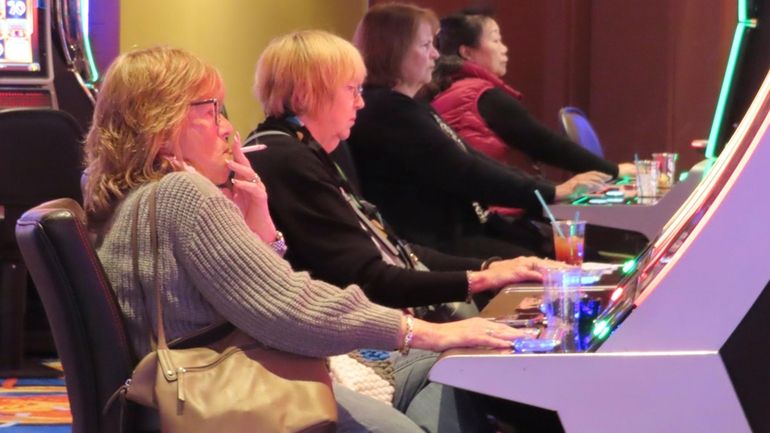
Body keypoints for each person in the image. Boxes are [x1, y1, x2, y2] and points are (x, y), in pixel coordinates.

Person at [83, 45, 532, 433]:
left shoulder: (129, 200)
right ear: (162, 124)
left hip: (218, 378)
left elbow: (248, 295)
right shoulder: (182, 194)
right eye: (212, 109)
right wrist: (424, 332)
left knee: (448, 370)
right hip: (234, 392)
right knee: (450, 362)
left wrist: (258, 217)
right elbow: (290, 310)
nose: (226, 127)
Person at [246, 30, 552, 319]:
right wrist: (480, 279)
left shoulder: (302, 148)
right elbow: (369, 279)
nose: (361, 102)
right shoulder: (286, 160)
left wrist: (491, 267)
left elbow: (394, 250)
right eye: (351, 89)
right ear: (305, 95)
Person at [348, 2, 609, 260]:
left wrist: (548, 189)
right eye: (426, 45)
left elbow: (470, 157)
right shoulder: (389, 111)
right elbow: (465, 170)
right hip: (437, 244)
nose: (436, 55)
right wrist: (550, 191)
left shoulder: (408, 104)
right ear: (394, 51)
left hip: (465, 228)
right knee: (567, 265)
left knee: (579, 254)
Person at [426, 8, 635, 178]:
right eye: (495, 40)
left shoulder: (448, 87)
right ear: (467, 52)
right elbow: (545, 143)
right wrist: (614, 171)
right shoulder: (479, 95)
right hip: (484, 214)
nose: (504, 49)